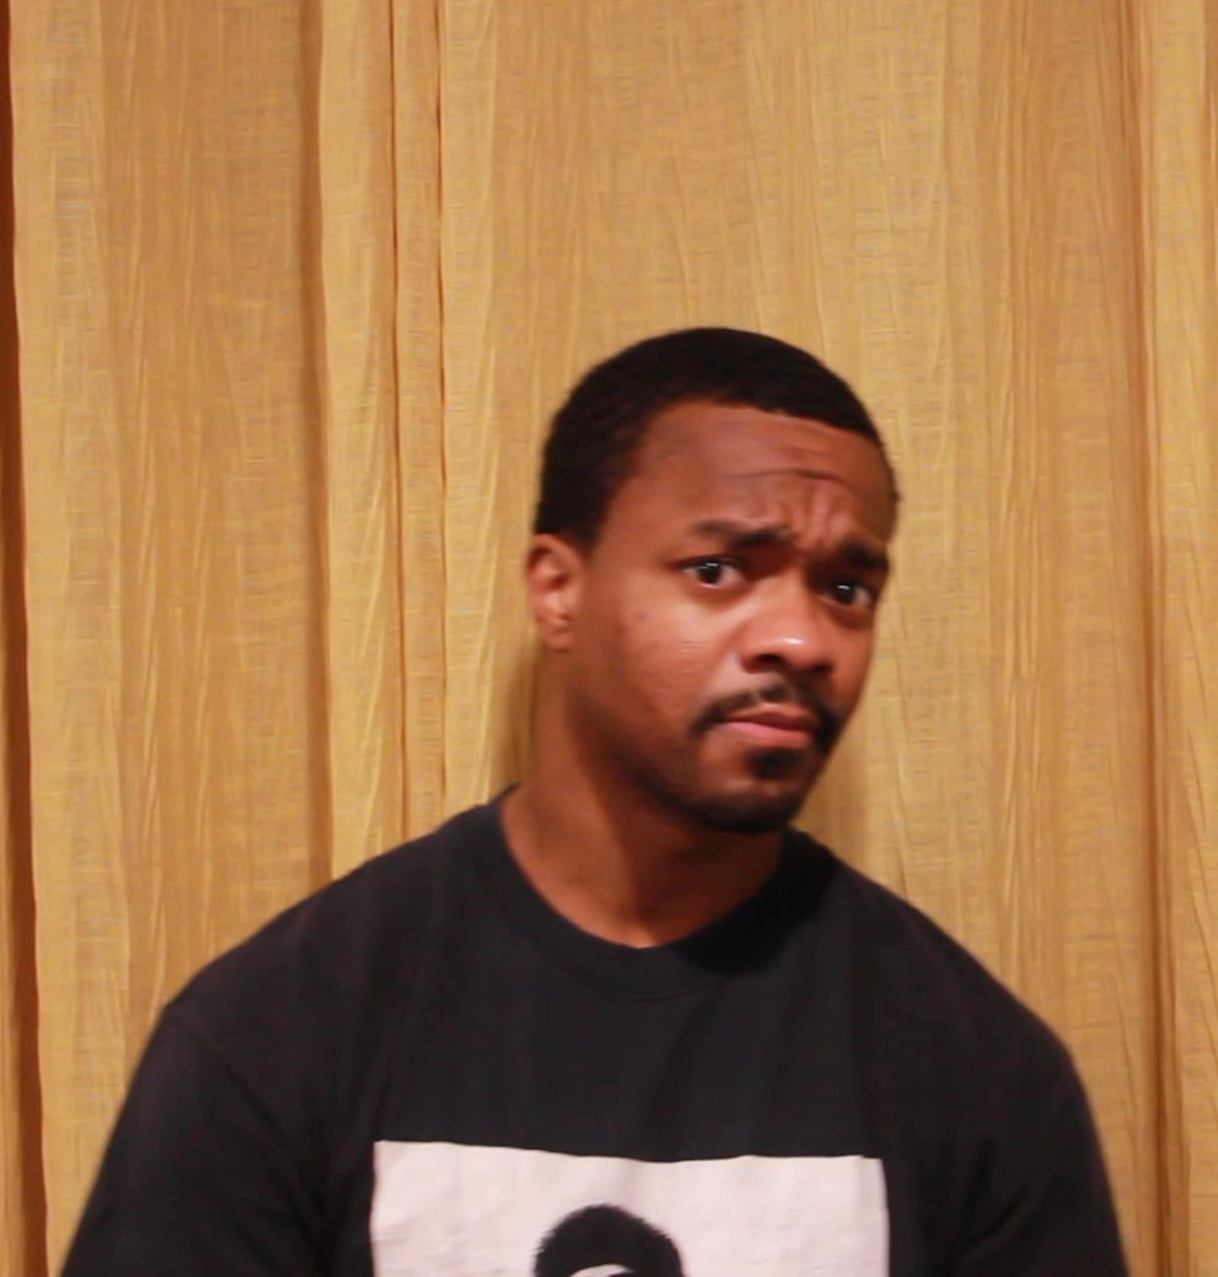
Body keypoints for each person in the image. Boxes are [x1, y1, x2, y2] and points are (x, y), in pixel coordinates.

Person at [60, 327, 1129, 1275]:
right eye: (718, 569)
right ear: (558, 589)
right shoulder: (282, 1035)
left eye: (846, 589)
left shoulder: (977, 1071)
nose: (801, 639)